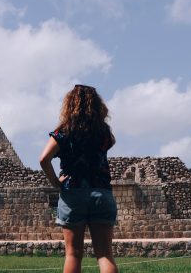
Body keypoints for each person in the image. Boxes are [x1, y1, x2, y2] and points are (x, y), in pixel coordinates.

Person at [39, 84, 118, 273]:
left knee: (73, 254)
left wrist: (56, 183)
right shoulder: (103, 132)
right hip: (101, 192)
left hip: (73, 192)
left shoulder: (64, 132)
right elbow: (110, 143)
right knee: (105, 254)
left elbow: (44, 159)